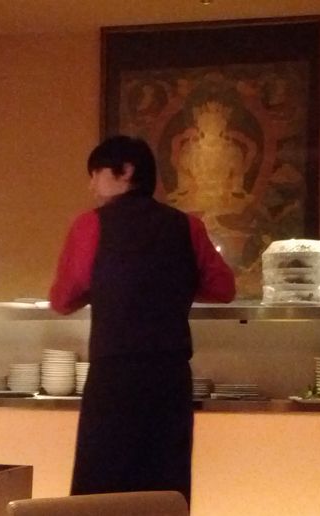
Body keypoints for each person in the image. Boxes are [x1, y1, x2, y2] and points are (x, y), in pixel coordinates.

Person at [49, 135, 236, 503]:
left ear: (125, 171)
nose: (91, 186)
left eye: (96, 173)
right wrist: (175, 285)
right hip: (170, 379)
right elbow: (223, 288)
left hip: (114, 377)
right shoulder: (188, 226)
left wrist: (101, 288)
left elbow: (62, 299)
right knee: (163, 486)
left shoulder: (90, 225)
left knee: (101, 490)